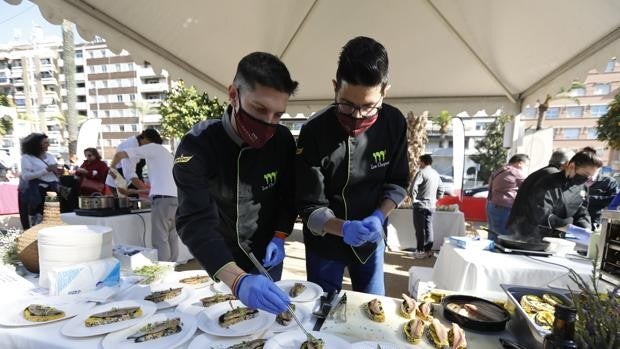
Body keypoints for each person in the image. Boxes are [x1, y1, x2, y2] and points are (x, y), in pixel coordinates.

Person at [173, 52, 298, 314]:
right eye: (259, 109)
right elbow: (193, 221)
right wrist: (237, 279)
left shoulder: (283, 140)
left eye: (278, 115)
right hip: (219, 258)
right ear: (233, 94)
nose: (268, 123)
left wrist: (279, 236)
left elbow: (287, 195)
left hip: (267, 255)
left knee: (269, 326)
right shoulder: (198, 145)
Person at [295, 36, 409, 295]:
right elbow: (308, 203)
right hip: (324, 243)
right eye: (347, 104)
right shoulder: (314, 131)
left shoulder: (394, 123)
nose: (357, 117)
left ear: (384, 92)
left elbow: (398, 182)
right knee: (322, 313)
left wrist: (379, 216)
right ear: (335, 87)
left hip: (371, 240)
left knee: (372, 309)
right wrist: (342, 227)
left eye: (369, 106)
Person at [109, 129, 178, 262]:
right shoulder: (166, 155)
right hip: (175, 199)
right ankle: (172, 267)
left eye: (142, 142)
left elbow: (119, 155)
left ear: (146, 139)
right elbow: (159, 187)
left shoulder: (152, 147)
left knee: (160, 238)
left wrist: (111, 170)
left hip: (163, 202)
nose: (140, 145)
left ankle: (164, 269)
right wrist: (132, 192)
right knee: (172, 236)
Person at [506, 148, 603, 237]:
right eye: (585, 174)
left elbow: (582, 213)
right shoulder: (547, 181)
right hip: (528, 233)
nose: (586, 179)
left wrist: (587, 231)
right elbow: (542, 214)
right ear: (571, 166)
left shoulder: (582, 188)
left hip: (557, 237)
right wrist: (570, 228)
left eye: (590, 176)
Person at [507, 149, 574, 228]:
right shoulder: (553, 176)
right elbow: (543, 207)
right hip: (528, 226)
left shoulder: (542, 172)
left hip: (519, 223)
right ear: (567, 163)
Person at [17, 133, 62, 228]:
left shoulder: (49, 156)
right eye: (45, 143)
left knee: (52, 217)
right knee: (37, 218)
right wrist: (46, 170)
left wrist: (58, 171)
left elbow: (54, 172)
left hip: (52, 190)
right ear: (36, 144)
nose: (48, 145)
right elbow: (26, 176)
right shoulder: (26, 158)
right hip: (36, 192)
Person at [409, 154, 444, 259]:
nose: (419, 163)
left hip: (420, 205)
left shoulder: (421, 173)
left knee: (419, 229)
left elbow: (413, 187)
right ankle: (428, 250)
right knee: (429, 228)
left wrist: (413, 198)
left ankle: (420, 251)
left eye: (420, 161)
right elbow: (441, 188)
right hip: (431, 205)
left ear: (423, 162)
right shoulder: (436, 174)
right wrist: (437, 198)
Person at [486, 154, 529, 235]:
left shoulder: (499, 170)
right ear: (519, 163)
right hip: (503, 208)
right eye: (526, 165)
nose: (526, 167)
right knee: (502, 236)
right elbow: (528, 186)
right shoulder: (516, 172)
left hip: (491, 205)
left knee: (492, 233)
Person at [104, 130, 151, 196]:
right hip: (120, 181)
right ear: (144, 138)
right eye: (150, 143)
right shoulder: (131, 146)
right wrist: (146, 190)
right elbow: (130, 174)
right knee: (124, 203)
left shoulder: (137, 145)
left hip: (127, 180)